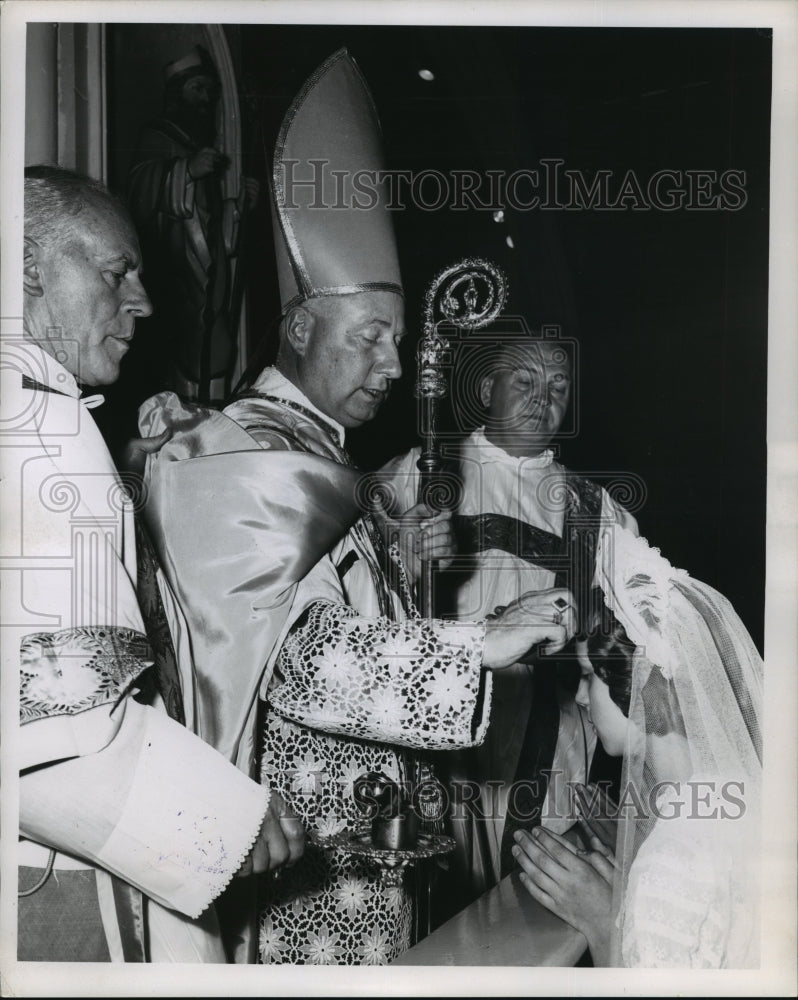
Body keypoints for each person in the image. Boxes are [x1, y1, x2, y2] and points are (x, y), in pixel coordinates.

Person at [138, 49, 577, 965]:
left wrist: (410, 569)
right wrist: (475, 641)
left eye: (399, 341)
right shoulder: (239, 454)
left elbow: (351, 619)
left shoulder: (322, 457)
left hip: (370, 854)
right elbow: (291, 664)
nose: (390, 366)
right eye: (371, 336)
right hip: (296, 875)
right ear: (301, 326)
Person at [5, 165, 303, 964]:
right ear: (26, 265)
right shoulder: (38, 430)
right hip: (51, 882)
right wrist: (219, 821)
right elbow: (44, 725)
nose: (141, 300)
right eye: (115, 271)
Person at [382, 335, 639, 910]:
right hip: (439, 734)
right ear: (484, 389)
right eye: (524, 382)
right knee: (431, 904)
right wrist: (408, 553)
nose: (542, 398)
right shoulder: (425, 471)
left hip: (553, 744)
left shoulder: (596, 508)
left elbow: (636, 632)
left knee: (525, 912)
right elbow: (353, 594)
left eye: (558, 387)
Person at [513, 524, 762, 967]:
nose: (581, 698)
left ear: (641, 685)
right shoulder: (737, 791)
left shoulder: (667, 865)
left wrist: (599, 920)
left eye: (590, 677)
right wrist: (640, 838)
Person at [127, 45, 258, 405]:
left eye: (209, 92)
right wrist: (183, 173)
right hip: (174, 266)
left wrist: (235, 208)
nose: (205, 99)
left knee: (215, 340)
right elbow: (138, 191)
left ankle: (213, 409)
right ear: (176, 93)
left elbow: (208, 214)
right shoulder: (157, 135)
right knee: (186, 344)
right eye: (197, 89)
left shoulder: (199, 146)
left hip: (206, 265)